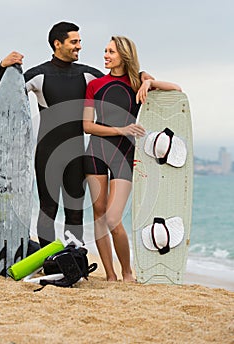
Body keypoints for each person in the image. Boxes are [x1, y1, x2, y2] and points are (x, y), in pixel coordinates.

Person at [0, 22, 152, 248]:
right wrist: (3, 67)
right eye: (74, 42)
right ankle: (49, 259)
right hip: (48, 152)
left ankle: (73, 259)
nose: (80, 46)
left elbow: (121, 77)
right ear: (58, 44)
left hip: (78, 153)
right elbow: (4, 96)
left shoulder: (88, 75)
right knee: (48, 209)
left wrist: (145, 76)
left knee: (75, 212)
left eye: (79, 41)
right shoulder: (39, 75)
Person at [83, 36, 181, 282]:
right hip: (96, 152)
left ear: (124, 55)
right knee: (98, 214)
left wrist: (149, 83)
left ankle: (127, 273)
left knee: (113, 218)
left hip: (124, 155)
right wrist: (121, 130)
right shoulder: (95, 85)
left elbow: (176, 89)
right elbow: (87, 126)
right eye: (105, 51)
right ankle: (110, 275)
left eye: (111, 52)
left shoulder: (137, 81)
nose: (106, 55)